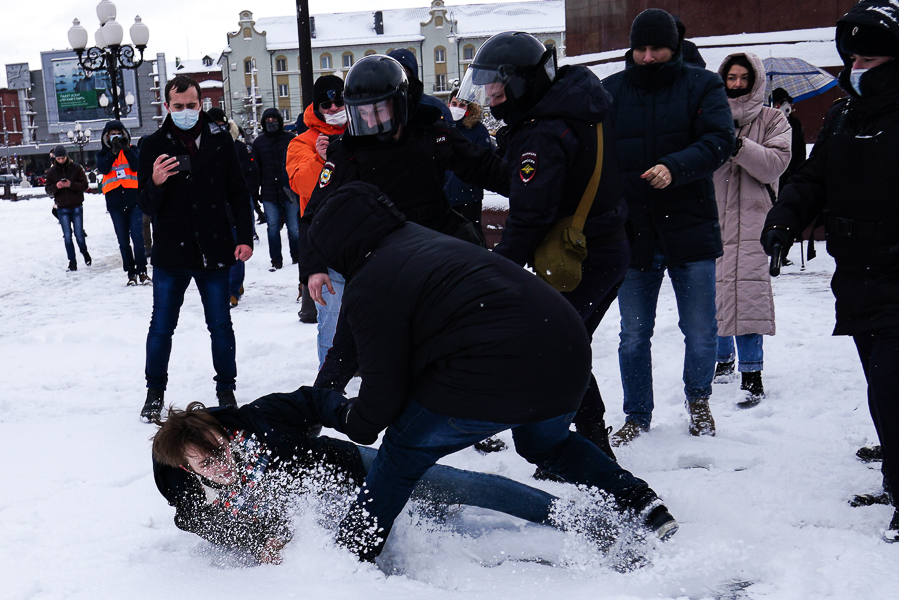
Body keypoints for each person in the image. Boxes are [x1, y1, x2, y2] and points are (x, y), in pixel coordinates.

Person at [302, 181, 678, 561]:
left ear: (335, 246)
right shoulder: (422, 242)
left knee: (401, 453)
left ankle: (350, 556)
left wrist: (353, 418)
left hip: (490, 370)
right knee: (546, 443)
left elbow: (381, 399)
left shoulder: (370, 284)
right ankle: (643, 504)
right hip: (567, 351)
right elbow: (345, 351)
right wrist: (314, 407)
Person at [151, 391, 610, 565]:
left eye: (222, 447)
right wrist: (260, 542)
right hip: (337, 517)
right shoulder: (194, 500)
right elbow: (208, 524)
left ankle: (571, 514)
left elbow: (313, 401)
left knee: (457, 486)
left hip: (356, 469)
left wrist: (349, 414)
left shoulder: (257, 418)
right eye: (207, 463)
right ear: (187, 469)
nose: (223, 463)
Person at [761, 0, 899, 543]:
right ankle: (894, 475)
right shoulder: (844, 116)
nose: (856, 67)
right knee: (880, 382)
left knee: (891, 387)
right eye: (852, 57)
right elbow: (811, 179)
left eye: (869, 58)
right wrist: (785, 217)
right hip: (858, 274)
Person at [456, 31, 630, 461]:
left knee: (557, 347)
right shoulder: (573, 106)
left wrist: (498, 271)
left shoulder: (543, 132)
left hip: (581, 260)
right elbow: (529, 184)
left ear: (520, 82)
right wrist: (461, 155)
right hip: (605, 250)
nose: (490, 94)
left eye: (496, 84)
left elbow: (531, 213)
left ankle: (586, 447)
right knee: (567, 345)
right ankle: (588, 438)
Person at [298, 54, 509, 369]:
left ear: (401, 103)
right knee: (376, 344)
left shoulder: (431, 131)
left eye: (379, 110)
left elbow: (482, 165)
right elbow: (316, 212)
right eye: (362, 112)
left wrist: (531, 187)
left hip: (437, 239)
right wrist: (313, 268)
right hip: (382, 257)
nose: (370, 121)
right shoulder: (348, 150)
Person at [602, 8, 735, 444]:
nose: (647, 57)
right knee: (633, 335)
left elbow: (719, 140)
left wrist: (675, 167)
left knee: (699, 331)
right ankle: (637, 415)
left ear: (673, 48)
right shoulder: (611, 91)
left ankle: (699, 401)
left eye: (656, 48)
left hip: (689, 228)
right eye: (640, 48)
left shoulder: (703, 85)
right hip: (632, 232)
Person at [137, 75, 255, 423]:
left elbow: (238, 192)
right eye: (178, 106)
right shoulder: (152, 144)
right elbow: (145, 205)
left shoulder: (221, 141)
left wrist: (245, 237)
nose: (186, 111)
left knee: (220, 324)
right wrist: (156, 181)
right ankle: (154, 391)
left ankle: (226, 389)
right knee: (161, 325)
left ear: (200, 103)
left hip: (214, 249)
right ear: (167, 106)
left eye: (191, 105)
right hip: (171, 255)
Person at [712, 53, 792, 407]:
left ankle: (752, 373)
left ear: (755, 79)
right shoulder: (709, 117)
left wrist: (740, 146)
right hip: (713, 220)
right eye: (731, 77)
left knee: (748, 296)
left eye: (744, 77)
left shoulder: (773, 119)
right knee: (712, 296)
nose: (737, 83)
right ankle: (721, 359)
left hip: (754, 223)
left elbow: (775, 164)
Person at [285, 75, 347, 325]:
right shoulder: (302, 142)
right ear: (317, 108)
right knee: (332, 327)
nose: (333, 108)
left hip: (368, 241)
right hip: (326, 243)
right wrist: (321, 158)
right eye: (326, 105)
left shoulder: (365, 129)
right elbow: (301, 185)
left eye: (339, 102)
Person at [208, 108, 259, 309]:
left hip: (236, 207)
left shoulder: (239, 148)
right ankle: (225, 287)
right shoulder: (205, 149)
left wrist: (240, 194)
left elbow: (252, 174)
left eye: (221, 125)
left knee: (237, 250)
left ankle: (232, 289)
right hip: (215, 208)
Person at [96, 120, 148, 286]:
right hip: (115, 203)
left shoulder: (132, 150)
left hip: (134, 201)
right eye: (112, 134)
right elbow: (103, 169)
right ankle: (131, 273)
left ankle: (142, 271)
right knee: (123, 241)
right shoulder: (103, 153)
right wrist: (113, 152)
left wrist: (125, 149)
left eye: (118, 133)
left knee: (138, 238)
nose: (115, 136)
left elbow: (136, 165)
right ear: (106, 137)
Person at [253, 107, 298, 271]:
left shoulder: (291, 139)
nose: (271, 124)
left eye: (274, 121)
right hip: (269, 191)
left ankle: (297, 256)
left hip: (289, 190)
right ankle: (276, 260)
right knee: (272, 227)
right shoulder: (259, 143)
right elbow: (256, 168)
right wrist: (256, 191)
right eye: (268, 122)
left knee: (293, 227)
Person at [444, 89, 493, 229]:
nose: (457, 108)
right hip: (445, 197)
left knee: (473, 237)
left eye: (462, 105)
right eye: (454, 104)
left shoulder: (478, 130)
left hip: (470, 197)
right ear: (448, 104)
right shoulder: (442, 128)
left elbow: (485, 161)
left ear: (468, 108)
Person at [45, 145, 91, 272]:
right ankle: (72, 261)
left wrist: (71, 185)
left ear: (67, 156)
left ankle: (85, 252)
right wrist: (57, 186)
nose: (61, 160)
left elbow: (85, 185)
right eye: (58, 158)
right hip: (62, 207)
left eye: (62, 158)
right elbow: (48, 190)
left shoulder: (76, 168)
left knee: (79, 234)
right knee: (67, 236)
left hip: (76, 205)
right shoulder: (51, 172)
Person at [387, 49, 454, 124]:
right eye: (395, 71)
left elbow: (450, 132)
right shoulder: (381, 109)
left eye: (404, 72)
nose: (400, 77)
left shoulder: (435, 107)